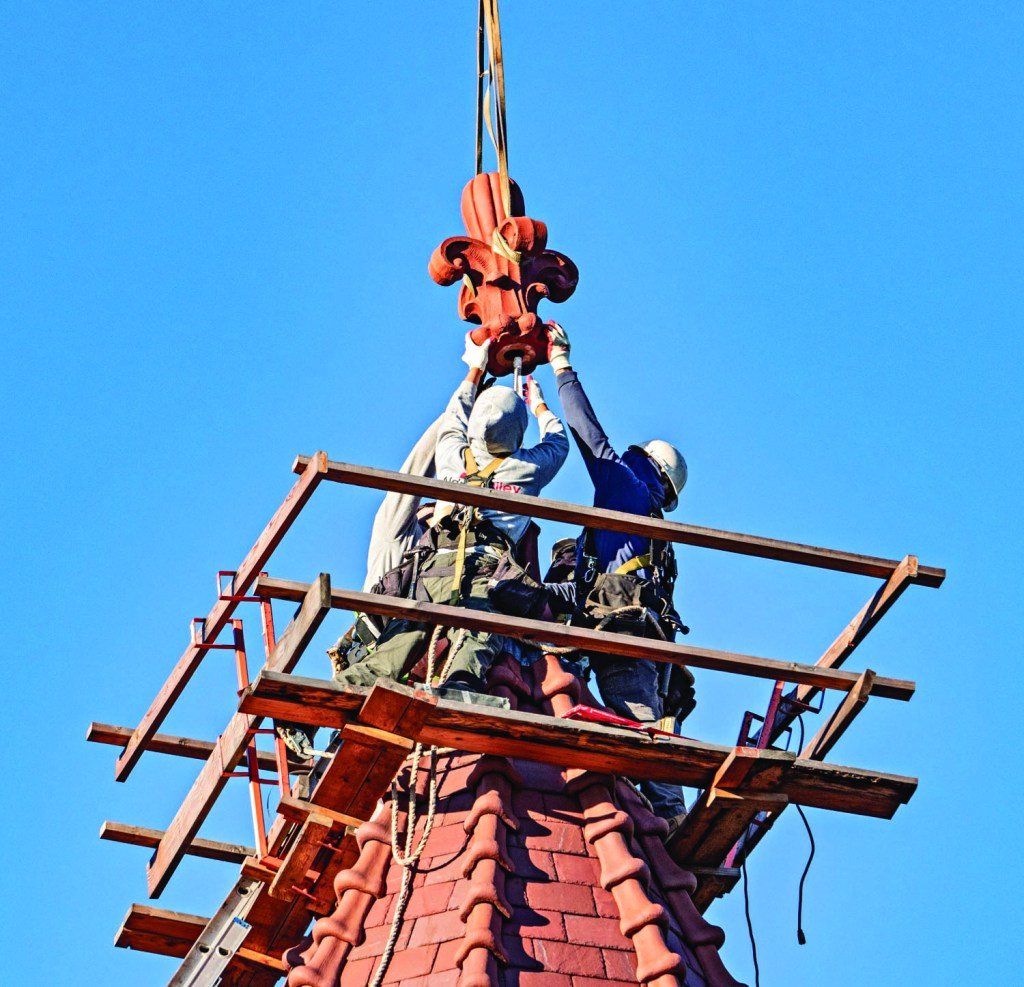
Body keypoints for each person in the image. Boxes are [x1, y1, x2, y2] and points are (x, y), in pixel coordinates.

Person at [332, 331, 569, 697]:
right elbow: (558, 442)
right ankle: (459, 686)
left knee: (404, 639)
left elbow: (456, 412)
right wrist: (538, 405)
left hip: (433, 572)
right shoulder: (527, 469)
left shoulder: (452, 455)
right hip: (484, 571)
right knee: (480, 627)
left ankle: (342, 690)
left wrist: (475, 368)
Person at [548, 322, 694, 829]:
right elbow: (592, 585)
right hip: (630, 635)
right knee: (638, 726)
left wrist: (561, 367)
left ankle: (672, 822)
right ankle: (663, 816)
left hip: (625, 640)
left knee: (643, 729)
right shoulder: (652, 528)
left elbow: (591, 438)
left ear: (646, 466)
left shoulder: (627, 493)